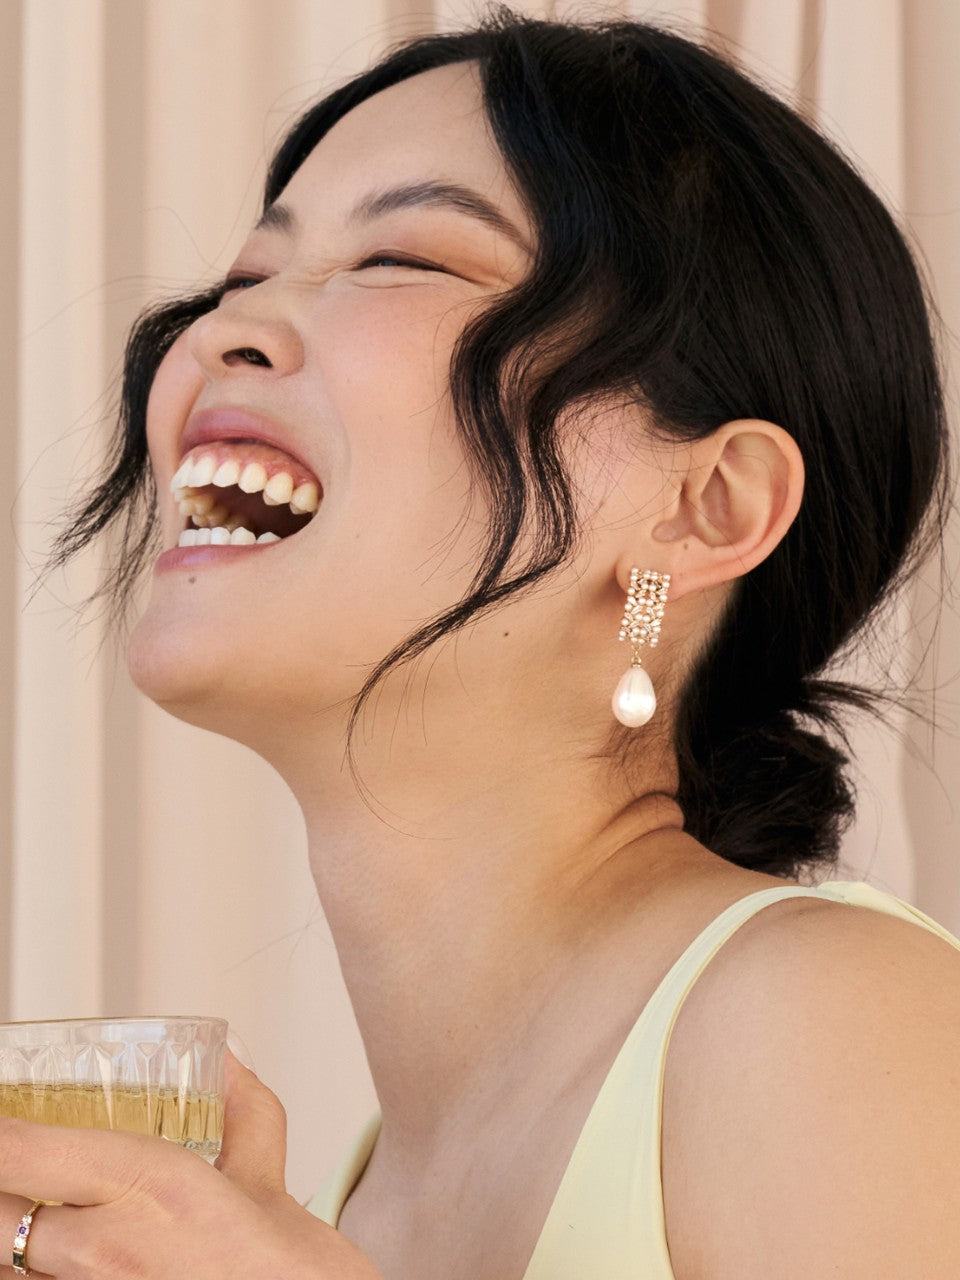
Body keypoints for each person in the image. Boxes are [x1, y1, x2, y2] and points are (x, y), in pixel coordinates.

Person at [20, 6, 960, 1278]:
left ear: (704, 507)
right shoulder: (360, 1199)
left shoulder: (823, 1013)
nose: (218, 335)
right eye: (243, 278)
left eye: (403, 258)